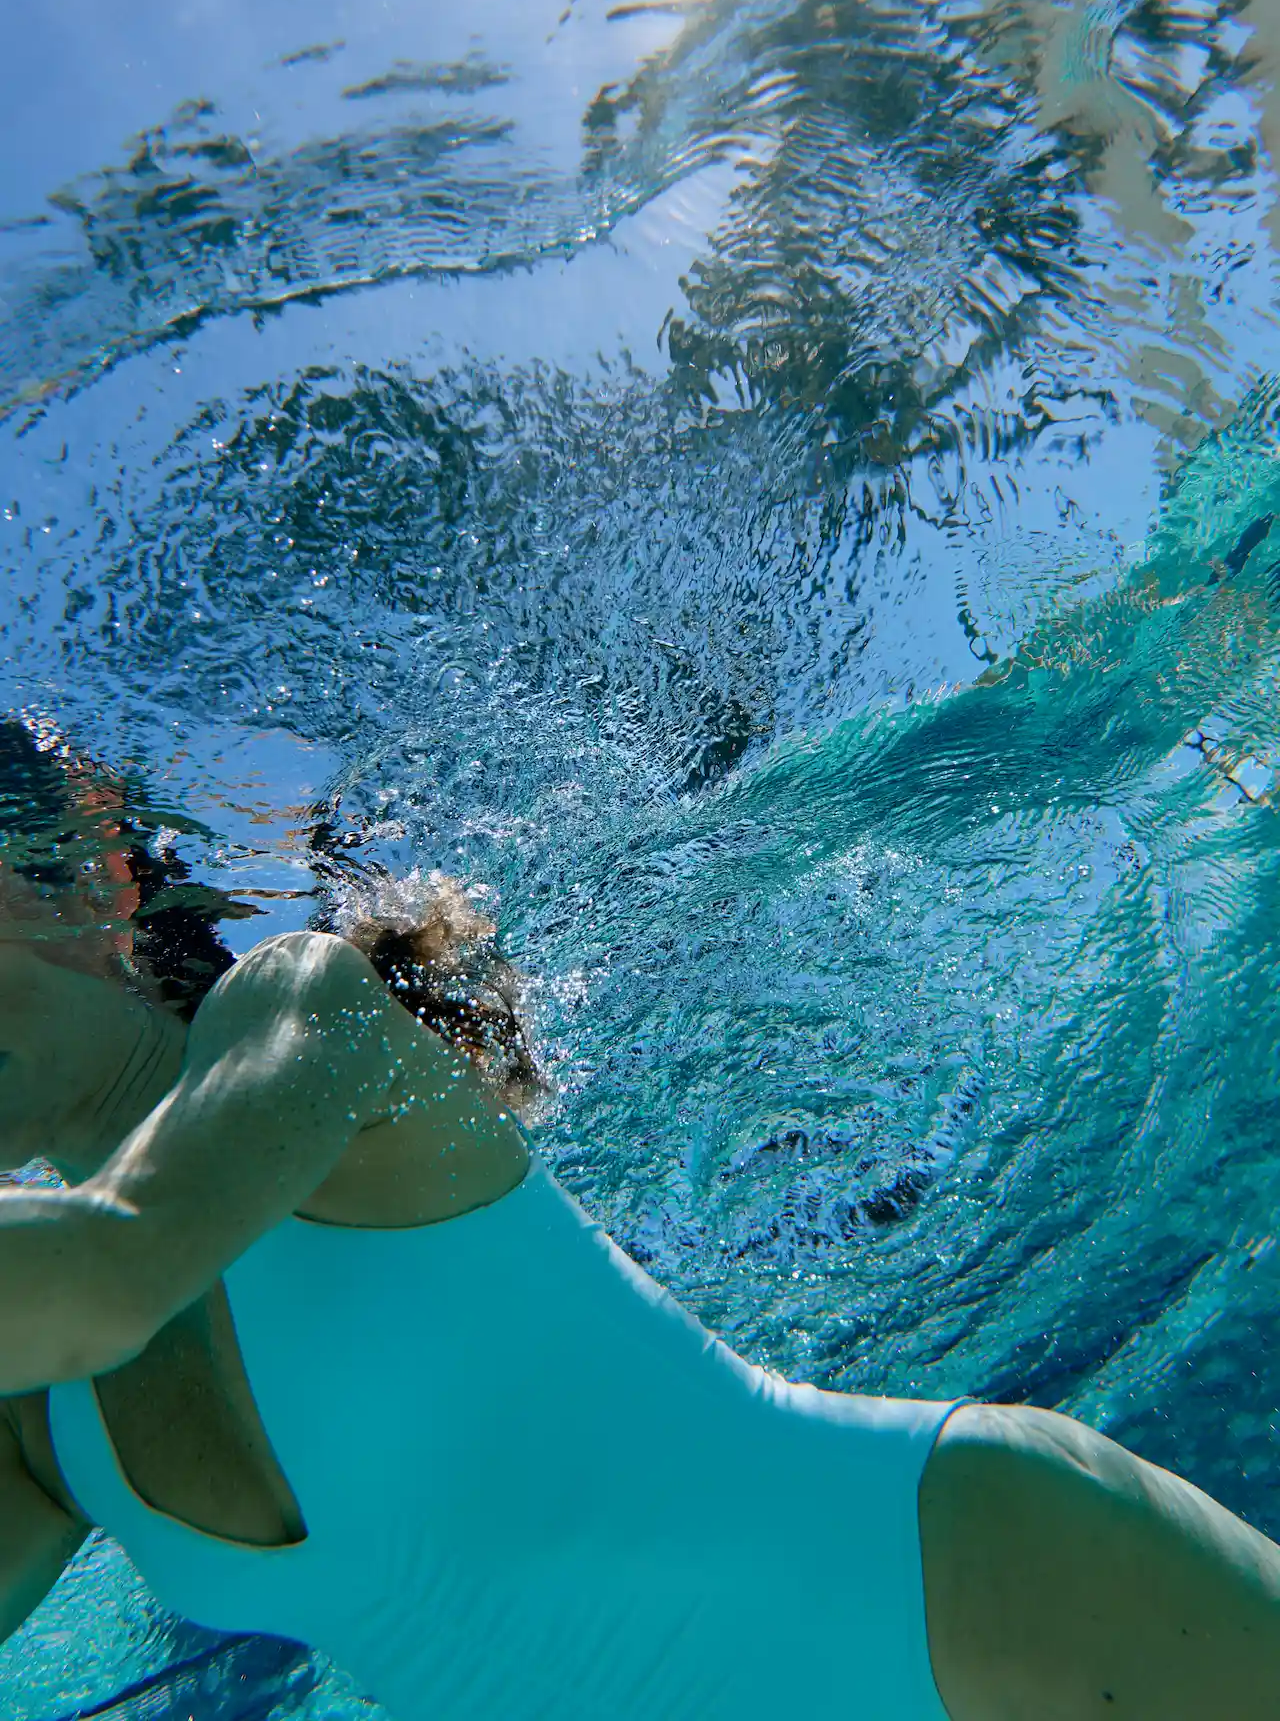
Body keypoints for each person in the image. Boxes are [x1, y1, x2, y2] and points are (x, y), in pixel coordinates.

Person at [1, 735, 1280, 1719]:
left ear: (93, 872)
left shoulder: (304, 1009)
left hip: (976, 1585)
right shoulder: (33, 1408)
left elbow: (122, 1263)